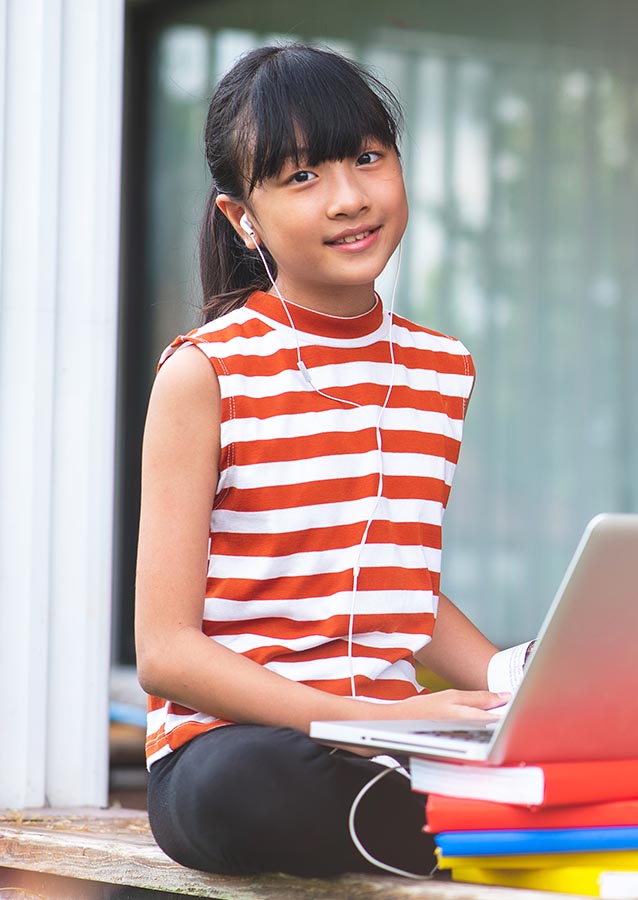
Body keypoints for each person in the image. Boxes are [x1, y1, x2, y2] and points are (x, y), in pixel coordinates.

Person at [135, 43, 509, 878]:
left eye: (367, 158)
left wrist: (520, 685)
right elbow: (165, 652)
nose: (349, 198)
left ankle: (451, 823)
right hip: (240, 750)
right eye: (301, 177)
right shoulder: (207, 370)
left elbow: (395, 585)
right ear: (243, 218)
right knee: (252, 784)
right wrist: (353, 719)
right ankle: (472, 832)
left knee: (586, 747)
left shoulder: (441, 368)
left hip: (391, 747)